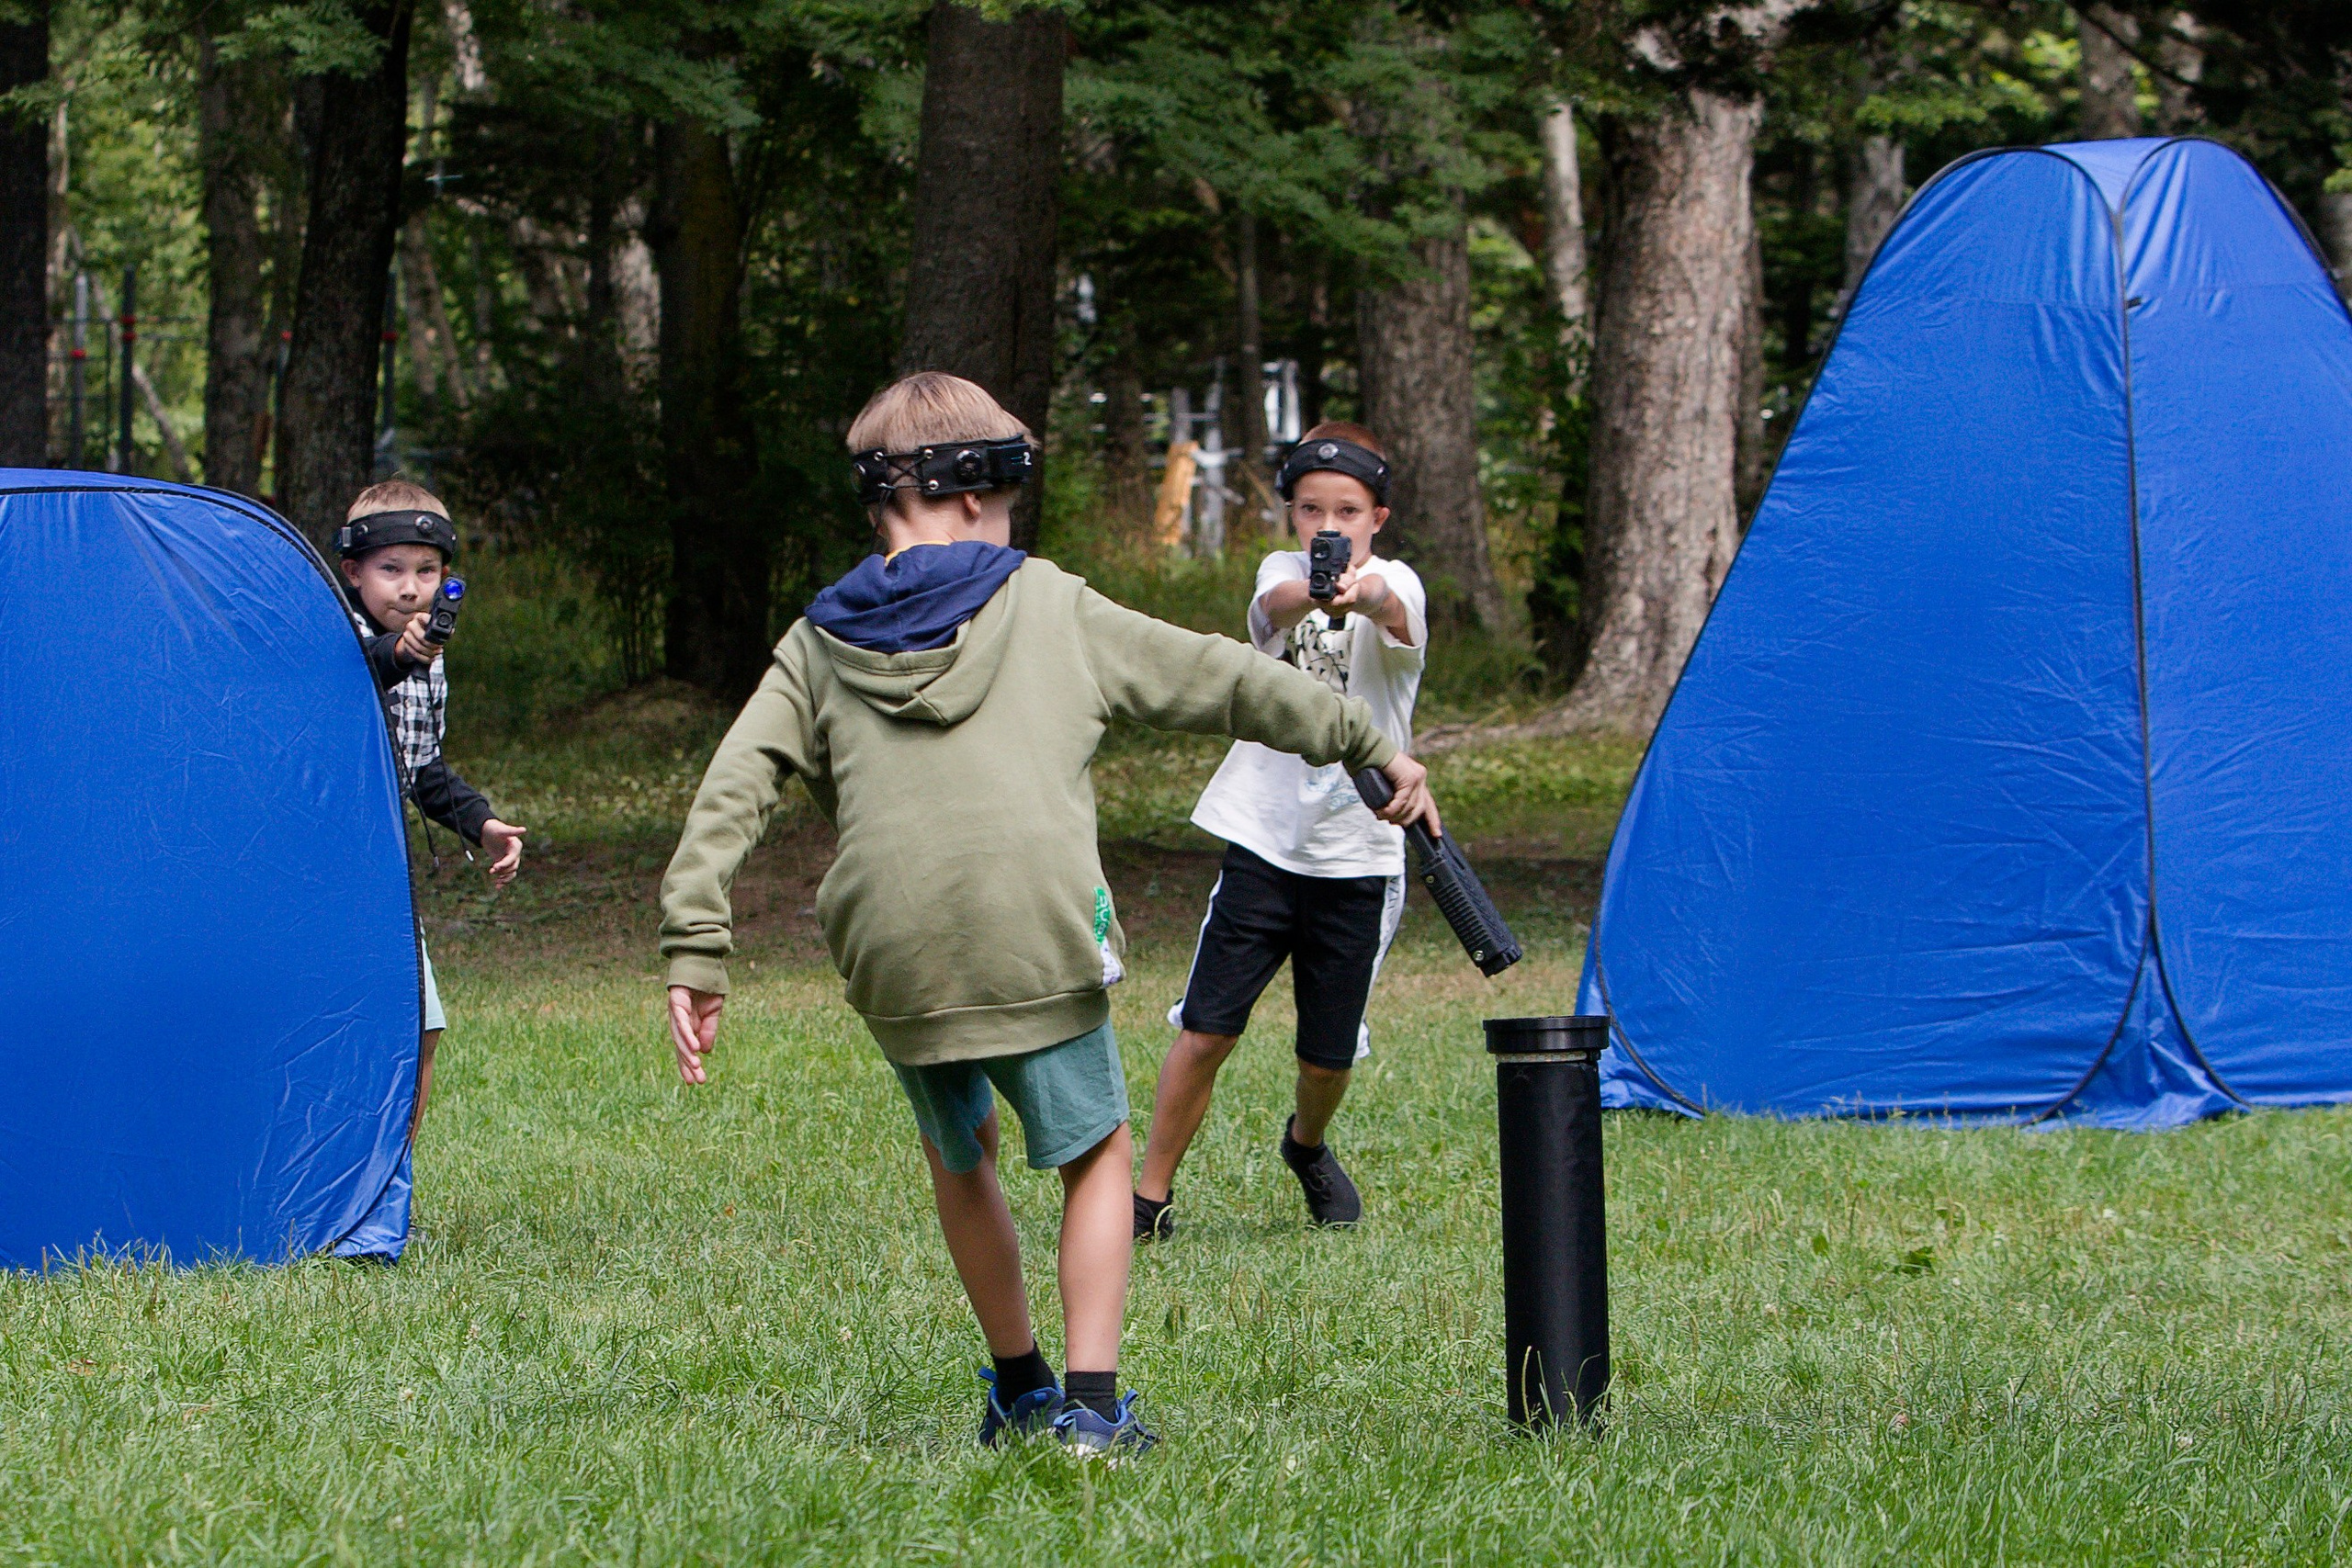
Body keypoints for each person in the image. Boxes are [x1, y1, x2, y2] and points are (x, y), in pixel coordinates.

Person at [657, 374, 1440, 1455]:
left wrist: (696, 943)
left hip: (893, 948)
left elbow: (731, 790)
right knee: (1096, 1155)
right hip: (1033, 928)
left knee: (961, 1152)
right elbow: (1220, 678)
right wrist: (1365, 737)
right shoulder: (1047, 603)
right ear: (980, 493)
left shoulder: (815, 640)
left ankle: (1017, 1386)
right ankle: (1092, 1405)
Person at [1132, 423, 1428, 1240]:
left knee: (1326, 1057)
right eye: (1310, 510)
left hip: (1358, 853)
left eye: (1348, 510)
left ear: (1379, 515)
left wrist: (1361, 591)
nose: (1328, 526)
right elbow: (1268, 613)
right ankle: (1148, 1198)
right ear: (1291, 514)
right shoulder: (1279, 572)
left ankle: (1306, 1144)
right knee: (1206, 1027)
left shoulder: (1400, 579)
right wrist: (1316, 586)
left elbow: (1396, 614)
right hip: (1262, 837)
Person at [337, 479, 528, 1139]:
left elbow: (424, 771)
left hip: (385, 878)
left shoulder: (432, 661)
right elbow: (355, 677)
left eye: (427, 570)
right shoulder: (333, 638)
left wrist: (484, 822)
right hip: (322, 872)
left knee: (422, 1027)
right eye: (390, 569)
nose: (411, 587)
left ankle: (386, 1180)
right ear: (353, 570)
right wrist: (400, 655)